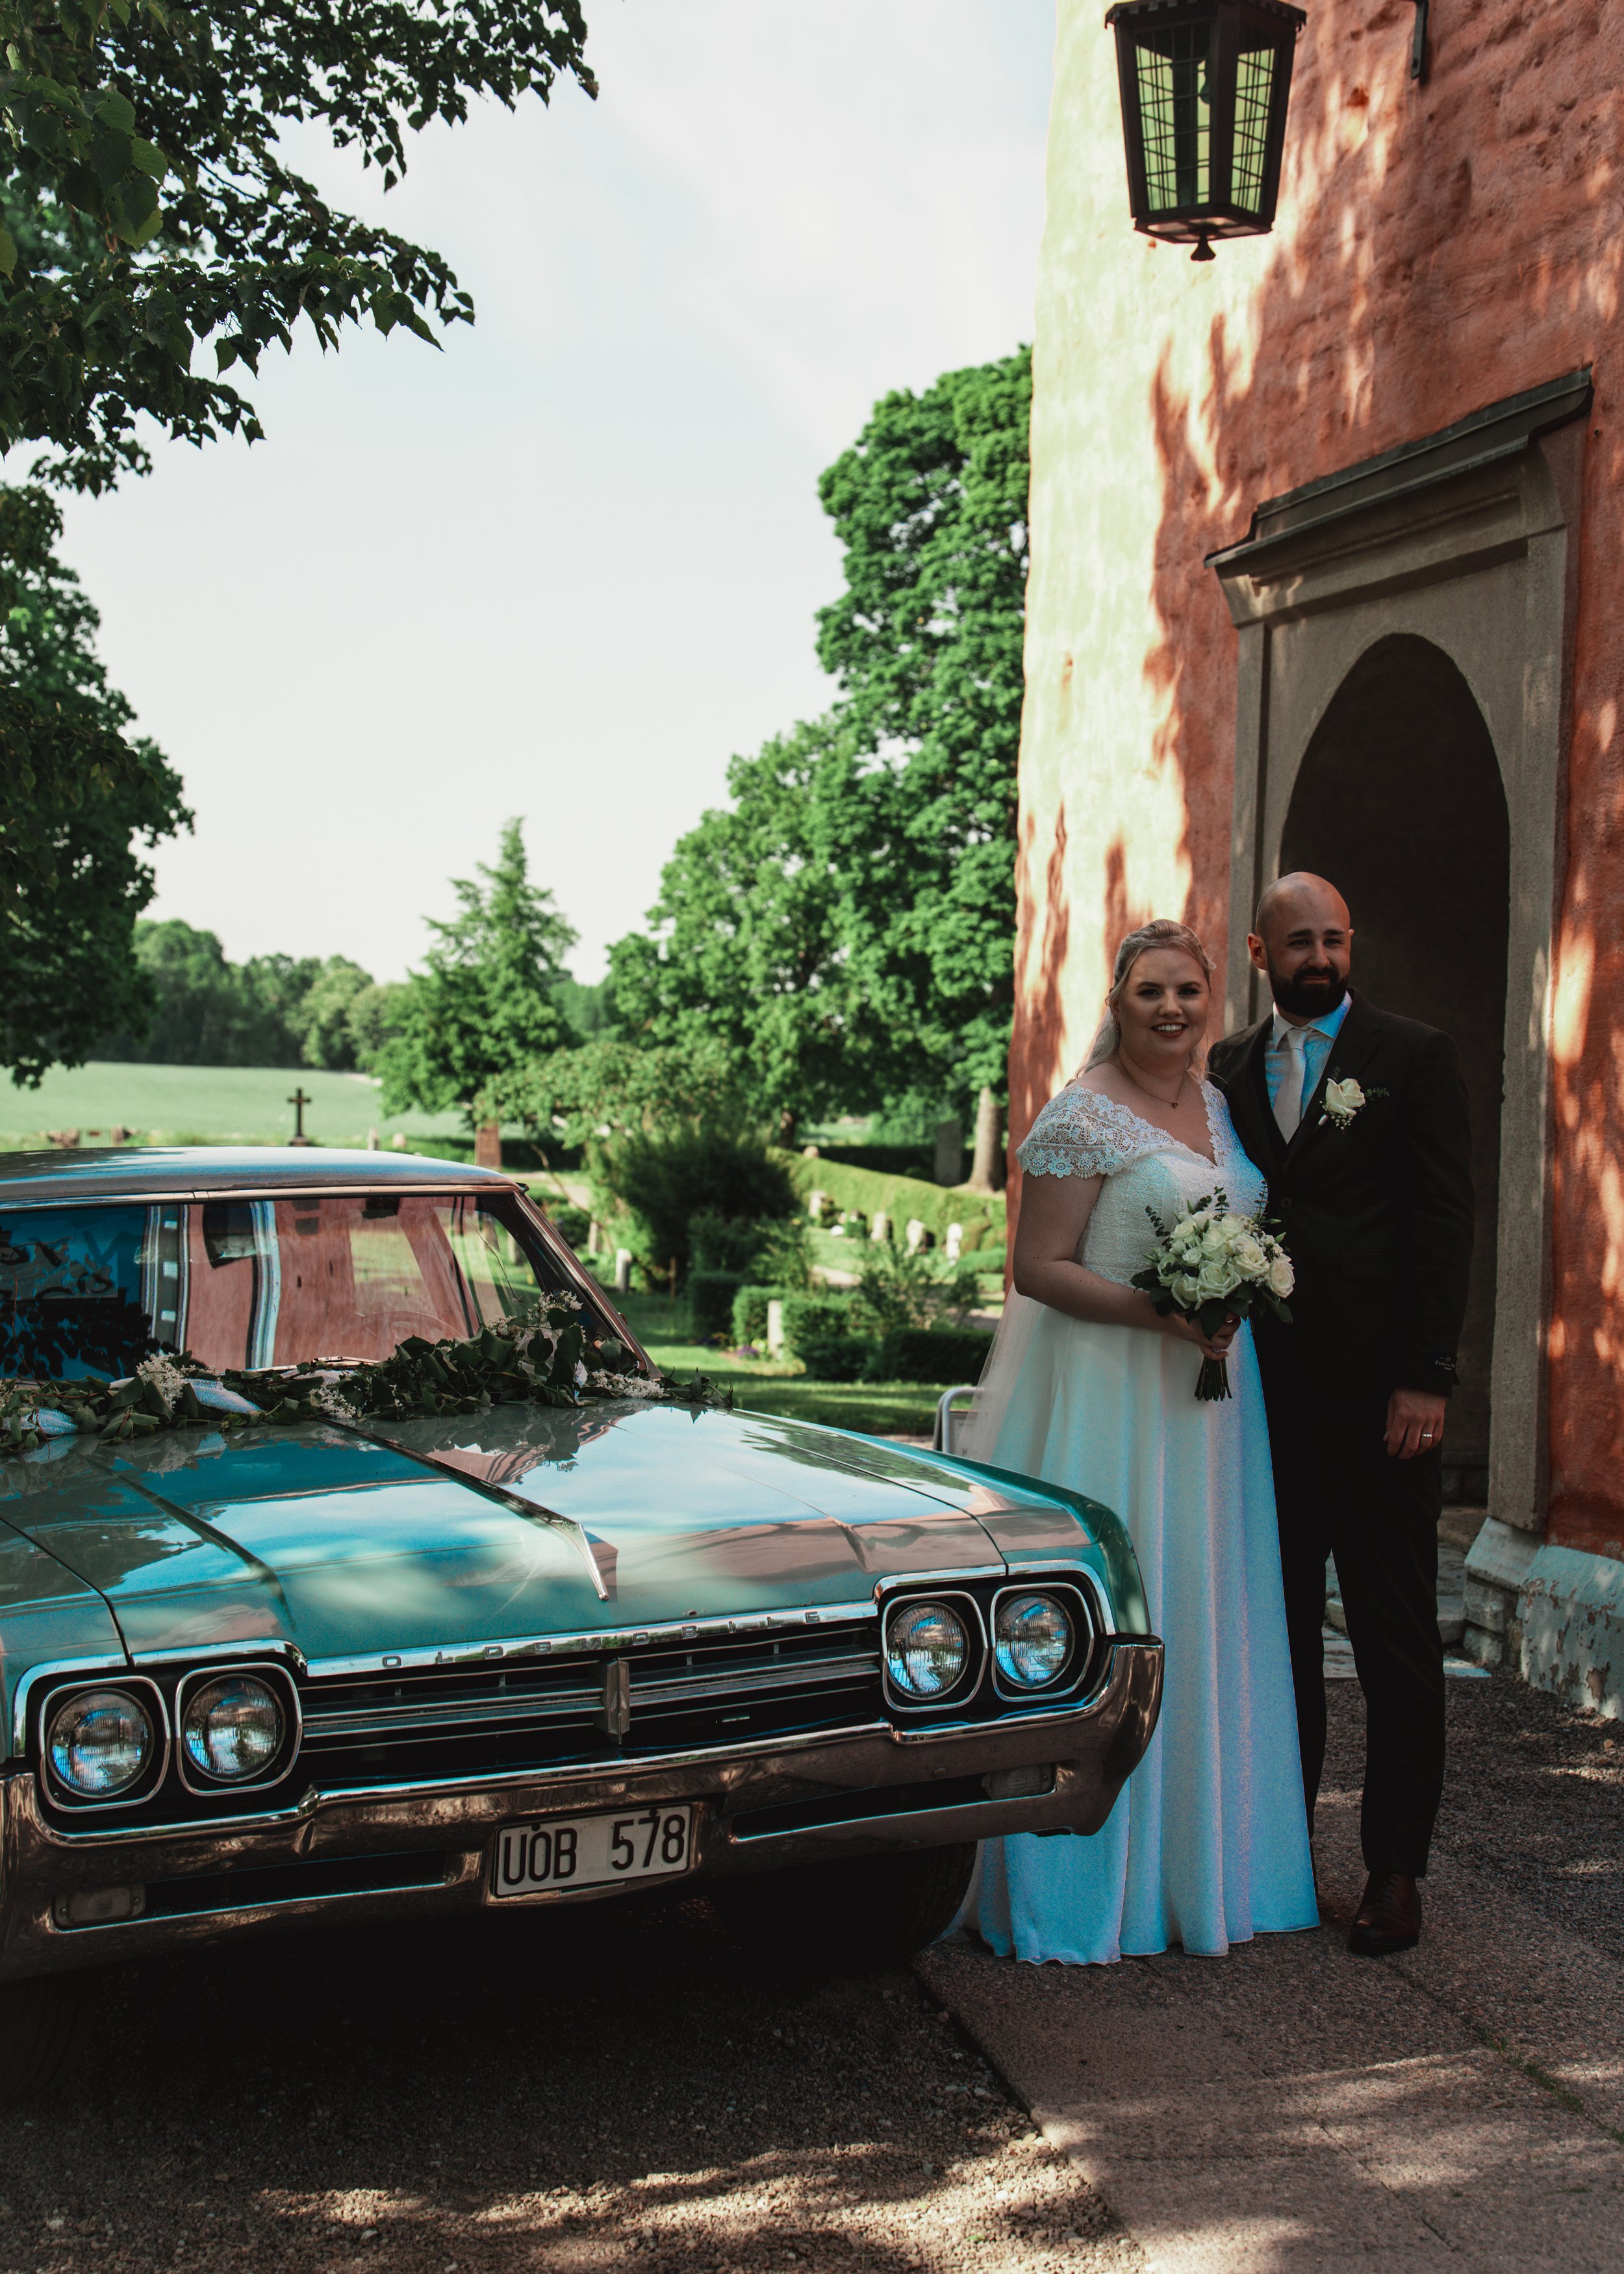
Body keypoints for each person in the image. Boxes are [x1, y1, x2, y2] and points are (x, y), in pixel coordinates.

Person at [959, 918, 1318, 1965]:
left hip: (1211, 1408)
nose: (1172, 1009)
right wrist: (1162, 1312)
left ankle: (1197, 1872)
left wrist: (1224, 1301)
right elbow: (1038, 1267)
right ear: (1117, 1001)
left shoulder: (1216, 1104)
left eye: (1188, 992)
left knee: (1203, 1600)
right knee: (1124, 1603)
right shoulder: (1083, 1112)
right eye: (1150, 991)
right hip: (1113, 1398)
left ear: (1213, 1002)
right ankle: (1082, 1884)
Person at [1208, 873, 1474, 1958]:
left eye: (1334, 939)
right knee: (1273, 1637)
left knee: (1393, 1637)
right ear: (1260, 954)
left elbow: (1444, 1223)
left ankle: (1396, 1871)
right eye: (1298, 943)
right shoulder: (1225, 1067)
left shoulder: (1413, 1056)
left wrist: (1428, 1376)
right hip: (1261, 1409)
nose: (1320, 957)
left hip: (1381, 1407)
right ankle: (1281, 1852)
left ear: (1349, 944)